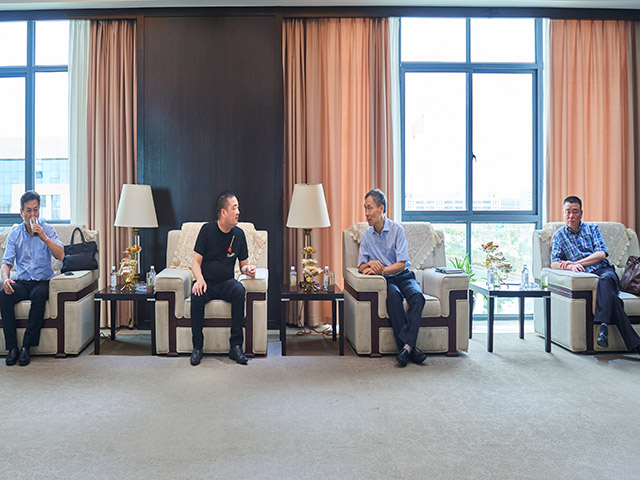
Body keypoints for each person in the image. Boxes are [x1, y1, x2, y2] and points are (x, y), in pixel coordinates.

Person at [550, 195, 640, 353]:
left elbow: (601, 254)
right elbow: (554, 263)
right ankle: (627, 340)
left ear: (581, 213)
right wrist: (570, 267)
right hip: (586, 277)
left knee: (605, 280)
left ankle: (603, 325)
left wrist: (577, 263)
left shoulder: (592, 229)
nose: (571, 215)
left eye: (575, 211)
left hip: (605, 270)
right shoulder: (559, 235)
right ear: (563, 213)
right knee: (613, 299)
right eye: (568, 211)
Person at [357, 189, 427, 367]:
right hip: (387, 282)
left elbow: (402, 264)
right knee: (393, 297)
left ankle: (406, 348)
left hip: (404, 276)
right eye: (365, 208)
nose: (366, 213)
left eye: (369, 208)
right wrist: (370, 263)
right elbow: (360, 267)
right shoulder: (367, 235)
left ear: (381, 209)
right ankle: (410, 348)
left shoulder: (397, 230)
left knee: (417, 297)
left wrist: (381, 270)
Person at [189, 191, 256, 366]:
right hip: (207, 283)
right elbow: (195, 262)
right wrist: (199, 280)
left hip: (226, 283)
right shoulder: (207, 230)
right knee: (196, 295)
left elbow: (243, 264)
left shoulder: (239, 234)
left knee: (239, 290)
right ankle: (197, 347)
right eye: (234, 208)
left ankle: (236, 347)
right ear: (223, 212)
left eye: (238, 208)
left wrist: (248, 269)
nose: (238, 212)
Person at [1, 191, 64, 366]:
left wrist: (44, 238)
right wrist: (5, 279)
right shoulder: (15, 235)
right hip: (23, 282)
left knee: (38, 295)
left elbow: (61, 255)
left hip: (42, 282)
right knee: (4, 295)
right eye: (28, 210)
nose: (32, 214)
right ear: (22, 213)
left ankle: (26, 347)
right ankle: (12, 348)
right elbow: (6, 264)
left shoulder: (47, 230)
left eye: (35, 210)